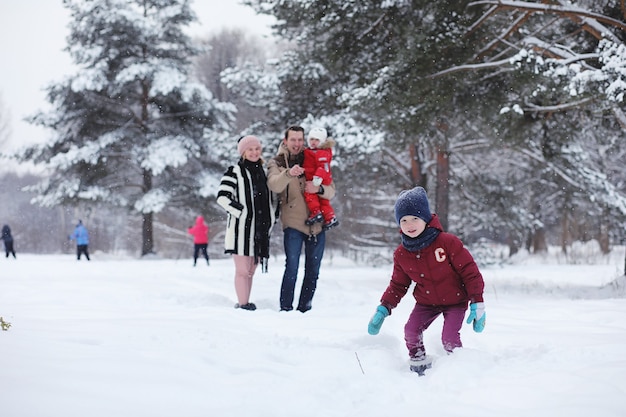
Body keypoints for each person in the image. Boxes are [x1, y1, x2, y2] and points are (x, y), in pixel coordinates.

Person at [367, 186, 485, 375]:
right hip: (427, 303)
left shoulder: (447, 243)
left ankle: (459, 370)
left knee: (449, 338)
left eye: (415, 218)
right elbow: (398, 284)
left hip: (455, 301)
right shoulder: (402, 254)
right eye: (403, 220)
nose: (409, 224)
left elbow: (469, 271)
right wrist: (384, 307)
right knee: (411, 331)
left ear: (426, 218)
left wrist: (477, 302)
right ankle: (419, 362)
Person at [267, 125, 336, 313]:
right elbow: (274, 184)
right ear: (285, 141)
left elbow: (331, 189)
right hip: (294, 223)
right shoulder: (278, 162)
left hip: (317, 224)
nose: (297, 144)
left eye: (300, 139)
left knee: (313, 270)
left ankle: (304, 308)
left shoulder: (314, 156)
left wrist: (319, 189)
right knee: (292, 267)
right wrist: (289, 173)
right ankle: (286, 308)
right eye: (293, 140)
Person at [217, 135, 277, 311]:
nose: (254, 152)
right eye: (250, 149)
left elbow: (272, 198)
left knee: (251, 270)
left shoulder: (264, 173)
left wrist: (274, 215)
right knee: (243, 271)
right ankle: (243, 304)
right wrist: (242, 212)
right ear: (243, 152)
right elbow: (222, 198)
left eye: (257, 149)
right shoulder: (234, 171)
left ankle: (246, 302)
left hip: (260, 232)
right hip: (241, 231)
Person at [302, 127, 339, 230]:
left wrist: (316, 181)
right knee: (324, 201)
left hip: (318, 179)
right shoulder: (313, 151)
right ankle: (330, 217)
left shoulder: (320, 153)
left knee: (309, 194)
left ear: (322, 142)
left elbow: (323, 167)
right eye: (311, 139)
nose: (313, 142)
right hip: (320, 178)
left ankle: (316, 212)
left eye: (317, 140)